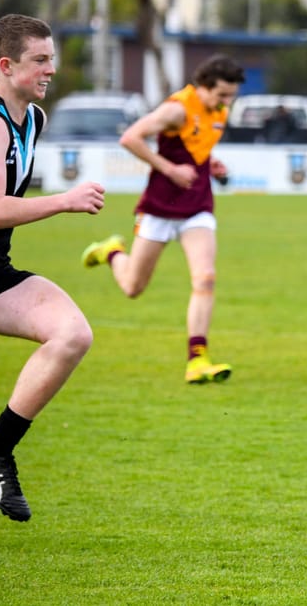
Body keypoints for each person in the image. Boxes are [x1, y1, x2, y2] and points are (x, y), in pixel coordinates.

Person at [0, 14, 107, 521]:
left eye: (52, 59)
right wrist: (64, 201)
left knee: (72, 334)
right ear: (6, 65)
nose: (51, 70)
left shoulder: (32, 120)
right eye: (40, 60)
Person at [81, 54, 245, 384]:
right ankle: (112, 252)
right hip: (159, 208)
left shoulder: (218, 112)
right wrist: (169, 169)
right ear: (203, 87)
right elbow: (130, 138)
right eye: (223, 95)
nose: (228, 103)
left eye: (231, 95)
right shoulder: (177, 109)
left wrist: (210, 165)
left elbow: (196, 147)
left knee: (206, 278)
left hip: (197, 207)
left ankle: (197, 359)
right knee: (132, 287)